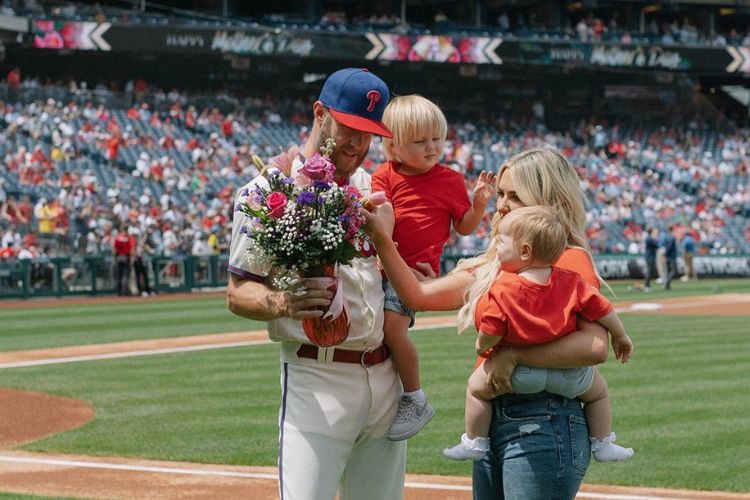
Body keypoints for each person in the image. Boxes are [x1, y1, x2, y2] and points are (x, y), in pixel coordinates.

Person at [363, 148, 612, 498]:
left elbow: (596, 346)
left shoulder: (566, 258)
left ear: (547, 200)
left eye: (515, 196)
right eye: (500, 195)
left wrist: (515, 357)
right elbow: (418, 296)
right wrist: (383, 241)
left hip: (546, 419)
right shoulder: (501, 263)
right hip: (495, 419)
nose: (502, 205)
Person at [226, 68, 406, 500]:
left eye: (369, 134)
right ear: (320, 113)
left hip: (386, 376)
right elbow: (237, 292)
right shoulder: (268, 191)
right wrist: (282, 302)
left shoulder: (372, 190)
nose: (358, 145)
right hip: (316, 376)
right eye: (350, 129)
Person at [440, 206, 634, 463]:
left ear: (524, 251)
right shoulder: (572, 281)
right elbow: (603, 310)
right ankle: (603, 443)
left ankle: (475, 442)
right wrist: (620, 336)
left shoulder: (504, 288)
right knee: (599, 393)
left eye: (501, 240)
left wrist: (482, 347)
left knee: (476, 390)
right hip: (571, 375)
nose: (496, 246)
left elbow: (492, 329)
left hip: (518, 377)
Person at [372, 94, 496, 440]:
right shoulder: (385, 175)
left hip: (416, 274)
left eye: (437, 139)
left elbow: (465, 226)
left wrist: (480, 203)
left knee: (392, 330)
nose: (432, 148)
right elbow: (383, 222)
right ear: (394, 146)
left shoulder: (451, 180)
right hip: (383, 265)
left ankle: (415, 397)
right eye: (420, 141)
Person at [113, 223, 134, 296]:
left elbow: (114, 249)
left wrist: (114, 258)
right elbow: (132, 249)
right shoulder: (129, 237)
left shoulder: (117, 237)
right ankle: (124, 292)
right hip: (126, 257)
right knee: (126, 276)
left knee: (118, 276)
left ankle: (119, 292)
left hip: (118, 257)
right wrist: (131, 258)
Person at [642, 226, 659, 291]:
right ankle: (647, 285)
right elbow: (656, 245)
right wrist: (656, 238)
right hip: (650, 257)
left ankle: (648, 285)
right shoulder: (649, 238)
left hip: (650, 256)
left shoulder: (649, 238)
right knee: (649, 271)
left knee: (650, 271)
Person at [663, 225, 678, 290]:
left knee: (668, 270)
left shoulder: (666, 237)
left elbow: (665, 246)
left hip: (667, 256)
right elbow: (670, 246)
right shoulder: (672, 237)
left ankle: (667, 284)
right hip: (671, 256)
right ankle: (667, 282)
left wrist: (665, 254)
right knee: (673, 270)